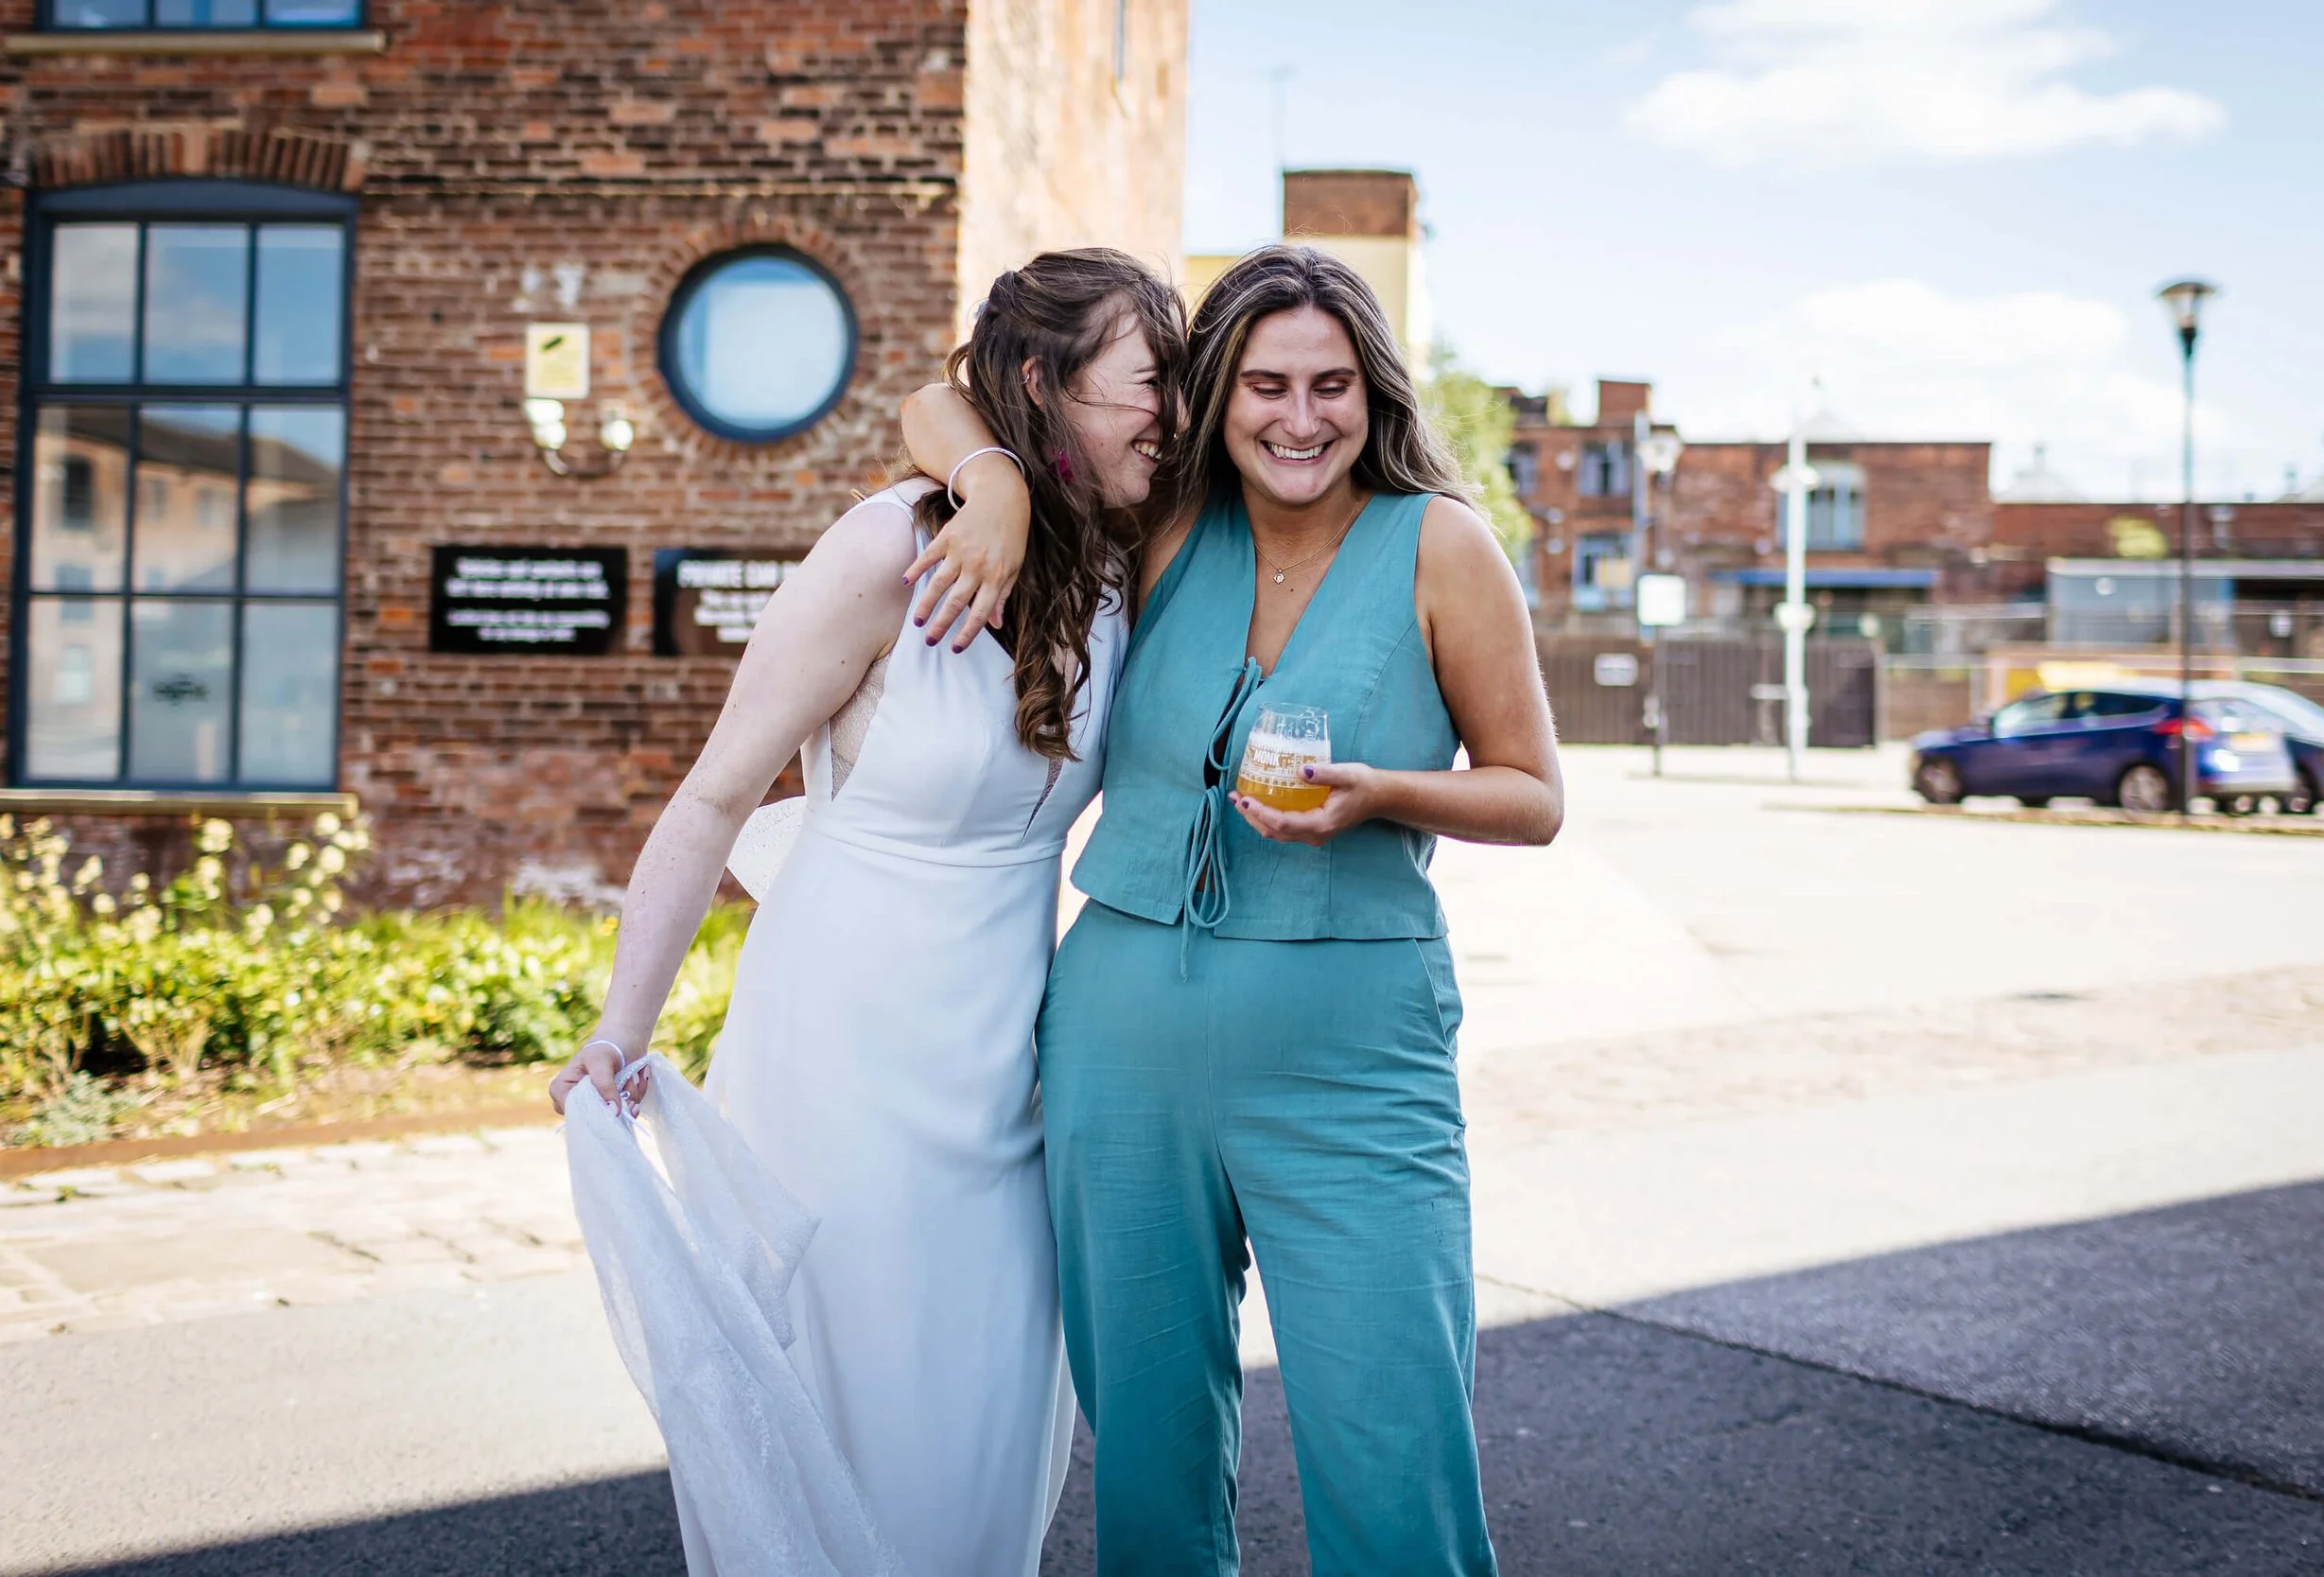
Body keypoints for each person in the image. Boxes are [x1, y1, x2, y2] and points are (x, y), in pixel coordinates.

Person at [903, 243, 1563, 1575]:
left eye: (1332, 385)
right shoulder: (1159, 529)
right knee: (1146, 1459)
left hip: (1352, 1064)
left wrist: (1380, 793)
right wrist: (992, 490)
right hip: (1118, 1048)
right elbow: (938, 397)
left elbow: (1533, 792)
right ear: (1219, 396)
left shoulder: (1441, 545)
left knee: (1396, 1454)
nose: (1300, 417)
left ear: (1374, 394)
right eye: (1266, 383)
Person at [548, 247, 1185, 1576]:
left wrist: (1004, 475)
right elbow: (716, 795)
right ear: (1040, 383)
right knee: (852, 1437)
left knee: (982, 1445)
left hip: (1006, 1089)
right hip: (836, 1066)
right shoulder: (888, 546)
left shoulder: (1123, 571)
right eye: (1147, 383)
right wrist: (622, 1026)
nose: (1172, 414)